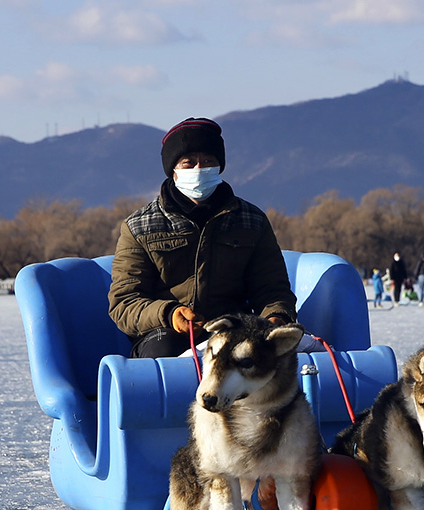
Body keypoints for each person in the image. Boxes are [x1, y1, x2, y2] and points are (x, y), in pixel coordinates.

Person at [108, 117, 297, 358]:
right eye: (188, 163)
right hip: (165, 335)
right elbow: (124, 302)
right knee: (166, 348)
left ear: (219, 167)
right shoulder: (139, 227)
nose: (199, 170)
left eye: (208, 162)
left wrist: (275, 317)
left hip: (232, 331)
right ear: (173, 171)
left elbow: (272, 288)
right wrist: (169, 314)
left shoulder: (252, 220)